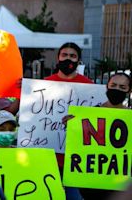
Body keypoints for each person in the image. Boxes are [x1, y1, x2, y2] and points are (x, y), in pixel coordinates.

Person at [45, 42, 93, 200]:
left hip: (75, 161)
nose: (68, 59)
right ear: (58, 58)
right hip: (48, 157)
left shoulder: (88, 86)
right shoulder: (44, 83)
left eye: (72, 56)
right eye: (64, 55)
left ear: (78, 60)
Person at [78, 73, 131, 200]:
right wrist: (72, 123)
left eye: (122, 87)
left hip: (119, 182)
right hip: (91, 180)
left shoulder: (130, 118)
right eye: (113, 85)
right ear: (107, 87)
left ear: (129, 91)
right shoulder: (90, 114)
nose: (117, 90)